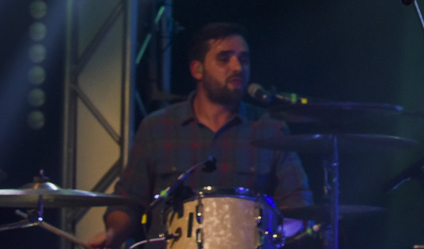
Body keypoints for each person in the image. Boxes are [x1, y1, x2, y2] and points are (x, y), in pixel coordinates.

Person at [88, 22, 313, 248]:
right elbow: (129, 202)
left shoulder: (270, 127)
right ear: (197, 69)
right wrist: (112, 234)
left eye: (243, 59)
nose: (237, 67)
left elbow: (298, 205)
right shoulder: (157, 127)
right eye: (224, 58)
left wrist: (269, 235)